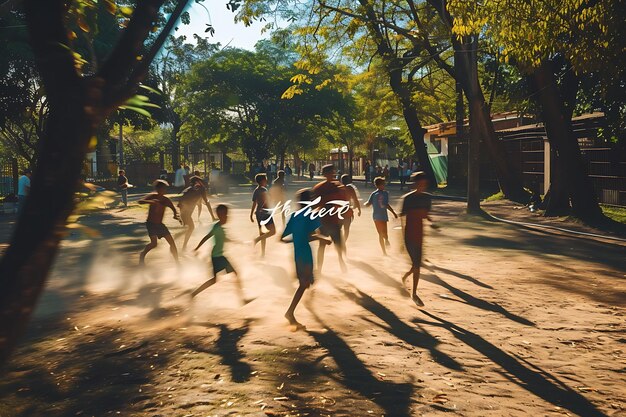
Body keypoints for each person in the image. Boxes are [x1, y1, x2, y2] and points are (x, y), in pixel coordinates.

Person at [280, 189, 331, 329]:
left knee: (308, 282)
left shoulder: (294, 215)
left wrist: (296, 239)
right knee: (304, 284)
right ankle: (290, 313)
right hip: (305, 254)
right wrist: (323, 238)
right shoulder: (310, 216)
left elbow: (282, 238)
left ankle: (301, 307)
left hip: (297, 254)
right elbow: (311, 235)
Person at [191, 204, 247, 302]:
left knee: (214, 279)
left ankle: (194, 294)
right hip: (218, 257)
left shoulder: (219, 227)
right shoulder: (217, 227)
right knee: (234, 274)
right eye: (225, 215)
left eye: (227, 215)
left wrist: (237, 241)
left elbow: (224, 238)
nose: (227, 217)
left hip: (218, 256)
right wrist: (197, 248)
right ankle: (242, 300)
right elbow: (207, 237)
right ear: (219, 215)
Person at [400, 171, 433, 306]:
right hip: (409, 236)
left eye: (424, 184)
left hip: (419, 235)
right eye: (420, 183)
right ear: (415, 184)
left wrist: (433, 223)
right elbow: (402, 218)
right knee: (416, 265)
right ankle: (414, 293)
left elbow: (425, 215)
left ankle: (406, 278)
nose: (422, 186)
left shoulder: (427, 198)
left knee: (416, 265)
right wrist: (401, 239)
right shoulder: (408, 199)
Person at [312, 164, 347, 273]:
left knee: (338, 245)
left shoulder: (337, 186)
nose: (332, 174)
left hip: (333, 220)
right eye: (331, 172)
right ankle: (320, 269)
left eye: (333, 172)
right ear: (325, 174)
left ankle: (341, 262)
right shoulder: (320, 188)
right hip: (324, 221)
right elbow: (314, 204)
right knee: (323, 245)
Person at [138, 180, 180, 265]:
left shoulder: (166, 200)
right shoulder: (152, 196)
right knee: (154, 244)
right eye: (162, 189)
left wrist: (176, 216)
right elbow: (140, 201)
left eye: (165, 189)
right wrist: (151, 201)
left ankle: (177, 262)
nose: (164, 191)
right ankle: (142, 255)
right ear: (157, 189)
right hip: (151, 224)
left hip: (160, 225)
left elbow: (173, 208)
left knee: (172, 243)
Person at [179, 176, 216, 249]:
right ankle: (180, 241)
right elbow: (206, 202)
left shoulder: (189, 189)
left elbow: (181, 202)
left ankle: (183, 245)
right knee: (190, 228)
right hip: (186, 213)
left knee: (189, 228)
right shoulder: (200, 189)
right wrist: (213, 217)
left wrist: (181, 215)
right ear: (197, 182)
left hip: (184, 212)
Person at [365, 177, 398, 256]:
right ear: (378, 185)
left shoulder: (384, 193)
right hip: (377, 216)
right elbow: (369, 203)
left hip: (382, 216)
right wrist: (393, 212)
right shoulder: (375, 194)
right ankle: (384, 252)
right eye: (383, 184)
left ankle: (386, 240)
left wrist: (393, 212)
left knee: (384, 233)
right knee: (380, 233)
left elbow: (385, 204)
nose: (384, 185)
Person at [250, 173, 276, 257]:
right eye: (265, 179)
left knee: (262, 233)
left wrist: (251, 214)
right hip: (265, 213)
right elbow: (266, 201)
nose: (266, 181)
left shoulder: (256, 190)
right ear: (262, 181)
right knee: (273, 231)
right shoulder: (264, 190)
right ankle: (256, 240)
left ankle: (263, 253)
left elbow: (254, 203)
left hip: (258, 213)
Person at [340, 174, 361, 247]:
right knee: (346, 229)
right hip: (347, 211)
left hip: (338, 211)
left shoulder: (338, 188)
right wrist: (359, 209)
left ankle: (338, 243)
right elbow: (355, 199)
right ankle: (343, 242)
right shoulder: (350, 189)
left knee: (338, 229)